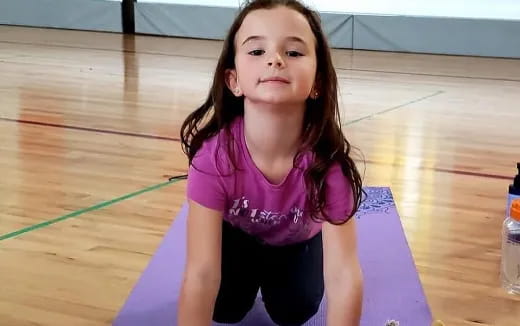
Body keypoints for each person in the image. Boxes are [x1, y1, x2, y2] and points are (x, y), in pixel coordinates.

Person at [178, 1, 364, 325]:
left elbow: (344, 276)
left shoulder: (329, 169)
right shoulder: (213, 160)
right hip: (237, 238)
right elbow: (202, 273)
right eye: (256, 51)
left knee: (295, 311)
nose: (275, 59)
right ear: (233, 80)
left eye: (293, 53)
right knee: (225, 308)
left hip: (296, 242)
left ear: (317, 82)